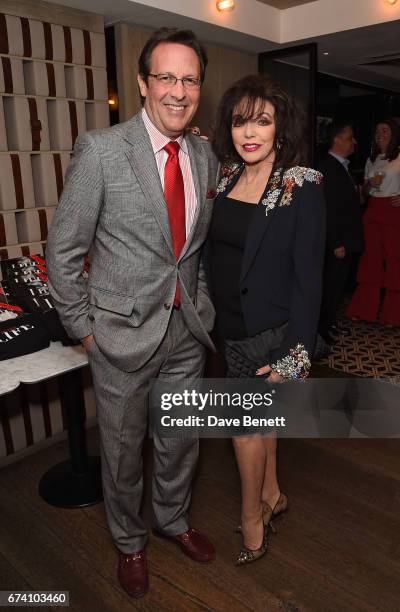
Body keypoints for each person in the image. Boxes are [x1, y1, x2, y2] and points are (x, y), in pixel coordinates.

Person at [46, 28, 219, 598]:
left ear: (199, 87)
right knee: (122, 453)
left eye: (189, 79)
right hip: (118, 337)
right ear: (143, 84)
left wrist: (204, 305)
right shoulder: (101, 149)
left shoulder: (204, 153)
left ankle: (171, 519)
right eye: (165, 77)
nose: (178, 90)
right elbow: (63, 250)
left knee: (180, 440)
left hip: (187, 331)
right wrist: (85, 331)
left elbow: (197, 247)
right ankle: (130, 541)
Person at [208, 74, 326, 565]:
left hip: (268, 333)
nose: (249, 132)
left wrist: (296, 354)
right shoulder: (229, 176)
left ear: (281, 127)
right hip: (227, 325)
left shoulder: (301, 185)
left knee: (244, 428)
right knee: (262, 421)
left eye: (262, 120)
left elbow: (309, 280)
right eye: (240, 121)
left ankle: (253, 518)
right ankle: (273, 495)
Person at [346, 118, 400, 325]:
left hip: (393, 211)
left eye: (385, 130)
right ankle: (364, 311)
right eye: (377, 131)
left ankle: (393, 316)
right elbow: (364, 194)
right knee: (371, 261)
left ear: (394, 133)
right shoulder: (372, 159)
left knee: (395, 261)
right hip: (373, 210)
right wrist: (368, 184)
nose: (380, 134)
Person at [317, 122, 363, 343]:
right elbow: (327, 209)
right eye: (350, 137)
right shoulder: (328, 168)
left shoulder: (342, 167)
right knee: (330, 287)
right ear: (338, 140)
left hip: (346, 240)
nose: (354, 141)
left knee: (337, 288)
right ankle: (322, 331)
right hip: (338, 244)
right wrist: (335, 243)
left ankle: (329, 323)